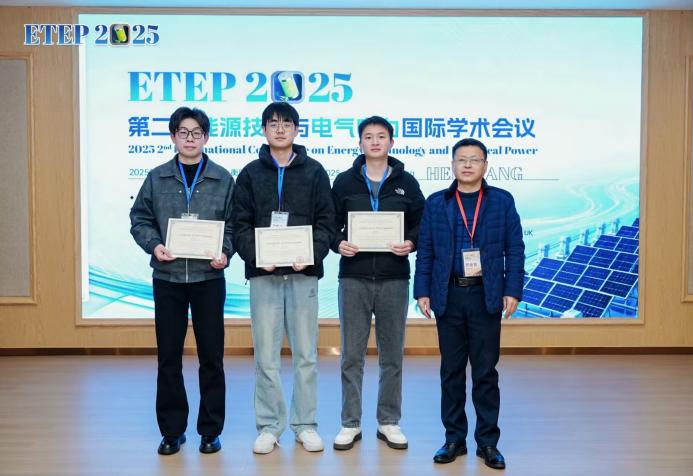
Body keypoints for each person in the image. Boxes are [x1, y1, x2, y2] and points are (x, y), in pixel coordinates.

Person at [414, 138, 525, 470]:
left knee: (485, 372)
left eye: (474, 159)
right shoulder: (437, 203)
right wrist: (422, 291)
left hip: (485, 295)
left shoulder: (502, 201)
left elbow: (515, 249)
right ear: (452, 165)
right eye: (461, 159)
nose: (467, 165)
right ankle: (454, 439)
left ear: (485, 166)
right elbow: (426, 251)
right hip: (448, 295)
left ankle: (488, 443)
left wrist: (513, 290)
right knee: (451, 371)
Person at [129, 107, 234, 455]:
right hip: (168, 278)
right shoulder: (157, 177)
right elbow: (140, 219)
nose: (190, 139)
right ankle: (172, 431)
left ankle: (210, 431)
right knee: (169, 357)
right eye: (184, 132)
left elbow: (234, 224)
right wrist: (154, 245)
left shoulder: (222, 178)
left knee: (211, 357)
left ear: (206, 137)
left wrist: (225, 251)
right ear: (173, 136)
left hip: (208, 277)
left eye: (197, 132)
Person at [232, 102, 335, 454]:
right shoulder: (249, 174)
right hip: (265, 276)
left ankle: (305, 425)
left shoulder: (315, 172)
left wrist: (312, 254)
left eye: (286, 123)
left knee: (306, 354)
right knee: (266, 355)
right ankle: (269, 426)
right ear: (263, 129)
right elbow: (239, 224)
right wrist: (258, 257)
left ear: (296, 130)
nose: (279, 129)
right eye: (273, 123)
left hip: (304, 275)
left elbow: (326, 222)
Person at [331, 116, 425, 451]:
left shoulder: (406, 183)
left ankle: (389, 421)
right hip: (353, 277)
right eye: (368, 136)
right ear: (359, 143)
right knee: (351, 355)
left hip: (394, 277)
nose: (374, 141)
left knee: (392, 355)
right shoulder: (344, 182)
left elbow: (421, 223)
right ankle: (350, 423)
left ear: (391, 142)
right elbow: (328, 223)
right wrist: (337, 243)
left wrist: (411, 242)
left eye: (381, 136)